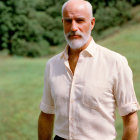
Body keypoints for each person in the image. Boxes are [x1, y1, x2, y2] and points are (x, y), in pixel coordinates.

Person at [38, 0, 140, 140]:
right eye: (68, 21)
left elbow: (130, 120)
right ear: (63, 23)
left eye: (79, 20)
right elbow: (46, 114)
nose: (74, 27)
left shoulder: (116, 62)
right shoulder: (52, 65)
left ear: (92, 23)